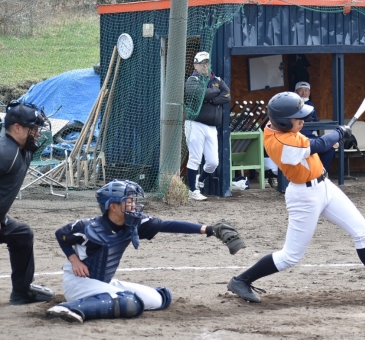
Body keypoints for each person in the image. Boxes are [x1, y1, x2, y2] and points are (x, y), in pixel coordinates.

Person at [226, 92, 365, 304]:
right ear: (283, 121)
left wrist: (335, 139)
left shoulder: (281, 128)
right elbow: (318, 144)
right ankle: (241, 280)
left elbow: (315, 145)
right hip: (304, 197)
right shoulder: (279, 141)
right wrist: (338, 133)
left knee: (363, 232)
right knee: (290, 256)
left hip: (325, 186)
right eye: (297, 118)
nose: (302, 121)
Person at [46, 179, 244, 323]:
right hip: (78, 284)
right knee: (129, 303)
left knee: (161, 298)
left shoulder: (132, 224)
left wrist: (209, 229)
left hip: (102, 283)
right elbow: (61, 234)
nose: (134, 205)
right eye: (129, 201)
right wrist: (73, 259)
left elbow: (168, 225)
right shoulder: (88, 227)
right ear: (113, 206)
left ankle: (102, 299)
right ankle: (68, 308)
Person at [0, 101, 56, 305]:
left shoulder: (23, 148)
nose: (37, 133)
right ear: (17, 128)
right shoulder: (5, 153)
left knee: (21, 235)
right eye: (33, 129)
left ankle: (22, 292)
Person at [184, 51, 230, 201]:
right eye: (202, 63)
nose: (205, 66)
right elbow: (201, 94)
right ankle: (192, 190)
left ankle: (200, 179)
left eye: (207, 63)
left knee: (213, 162)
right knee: (195, 158)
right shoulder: (192, 79)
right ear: (196, 65)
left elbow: (227, 95)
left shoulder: (216, 79)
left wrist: (211, 99)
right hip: (195, 123)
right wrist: (215, 92)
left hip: (211, 126)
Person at [295, 81, 336, 172]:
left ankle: (321, 173)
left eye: (306, 90)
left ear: (309, 92)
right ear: (296, 92)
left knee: (330, 147)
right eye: (301, 90)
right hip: (296, 137)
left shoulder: (311, 106)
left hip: (310, 137)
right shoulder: (292, 105)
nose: (304, 93)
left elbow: (316, 123)